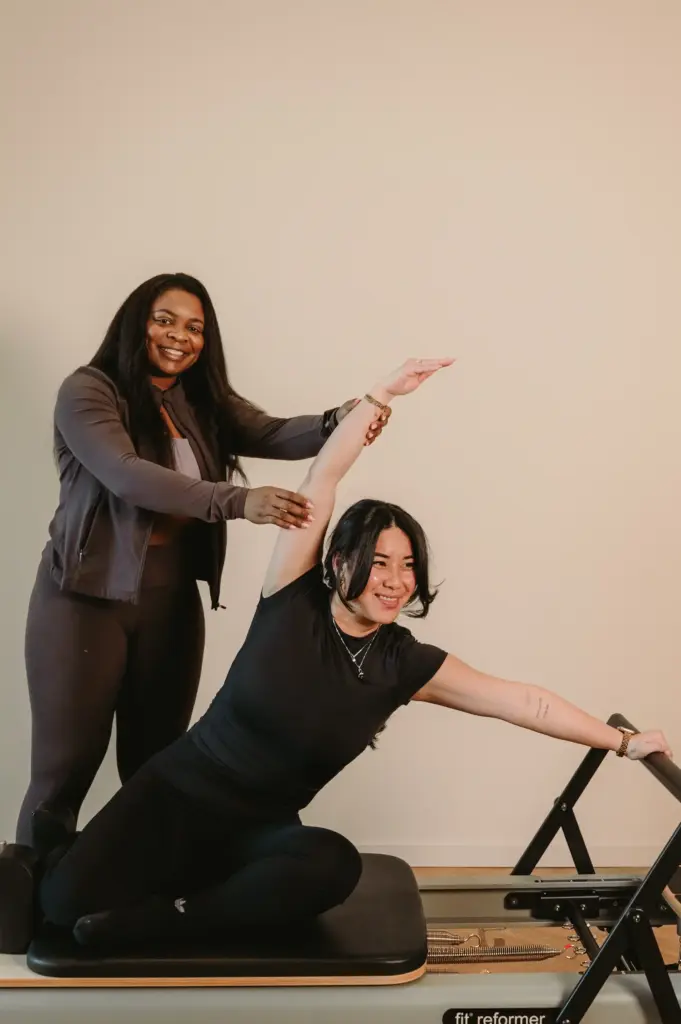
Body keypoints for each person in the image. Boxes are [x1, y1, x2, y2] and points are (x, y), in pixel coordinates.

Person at [37, 356, 671, 948]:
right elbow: (326, 474)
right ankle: (100, 874)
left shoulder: (404, 663)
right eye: (379, 562)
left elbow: (524, 703)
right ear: (340, 562)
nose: (395, 580)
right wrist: (382, 395)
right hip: (174, 798)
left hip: (252, 835)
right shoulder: (293, 598)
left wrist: (622, 742)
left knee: (331, 863)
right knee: (63, 908)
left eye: (408, 566)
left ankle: (177, 920)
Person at [17, 272, 390, 847]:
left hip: (169, 601)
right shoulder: (88, 391)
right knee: (63, 773)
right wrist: (238, 502)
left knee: (157, 769)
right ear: (136, 321)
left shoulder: (199, 400)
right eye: (164, 319)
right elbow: (127, 475)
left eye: (195, 327)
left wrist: (340, 420)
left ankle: (128, 902)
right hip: (83, 602)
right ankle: (26, 921)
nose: (179, 336)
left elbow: (274, 434)